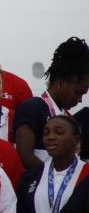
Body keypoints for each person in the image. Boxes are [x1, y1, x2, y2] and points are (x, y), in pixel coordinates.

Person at [14, 36, 89, 169]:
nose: (80, 99)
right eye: (78, 92)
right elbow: (24, 154)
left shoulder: (70, 119)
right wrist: (52, 177)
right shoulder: (33, 107)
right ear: (61, 82)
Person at [17, 115, 89, 213]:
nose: (50, 137)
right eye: (46, 133)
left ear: (76, 140)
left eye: (59, 132)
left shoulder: (86, 173)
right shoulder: (31, 175)